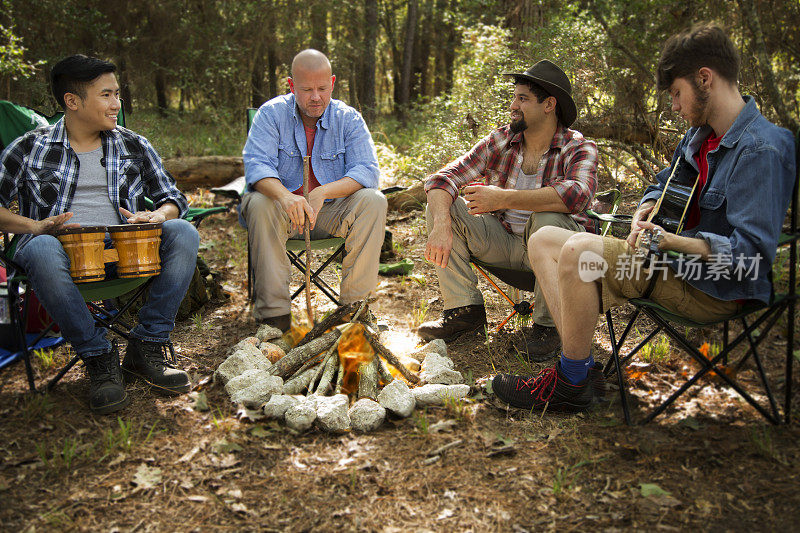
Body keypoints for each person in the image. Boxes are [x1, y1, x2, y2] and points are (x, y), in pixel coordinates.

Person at [492, 24, 797, 412]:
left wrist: (669, 242)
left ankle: (569, 383)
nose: (673, 106)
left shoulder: (761, 149)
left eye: (676, 93)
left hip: (711, 286)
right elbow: (661, 185)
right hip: (667, 262)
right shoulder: (699, 136)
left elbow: (748, 257)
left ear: (705, 78)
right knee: (544, 239)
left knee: (577, 251)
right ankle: (582, 371)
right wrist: (644, 212)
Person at [0, 55, 199, 415]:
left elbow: (174, 199)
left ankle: (147, 346)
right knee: (42, 247)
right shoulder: (29, 148)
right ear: (72, 101)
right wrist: (35, 226)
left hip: (126, 251)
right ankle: (98, 356)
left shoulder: (133, 144)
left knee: (182, 232)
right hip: (56, 255)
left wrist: (156, 214)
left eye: (117, 94)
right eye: (106, 95)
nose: (116, 104)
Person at [419, 60, 598, 361]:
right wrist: (440, 225)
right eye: (513, 97)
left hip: (557, 257)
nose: (512, 106)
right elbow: (442, 178)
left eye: (523, 99)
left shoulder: (578, 147)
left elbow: (576, 196)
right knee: (443, 205)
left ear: (549, 105)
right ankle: (465, 314)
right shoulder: (502, 140)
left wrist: (503, 199)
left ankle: (547, 327)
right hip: (506, 243)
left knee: (548, 219)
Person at [241, 49, 386, 331]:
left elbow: (367, 170)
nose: (316, 96)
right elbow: (257, 168)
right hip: (281, 215)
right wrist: (285, 196)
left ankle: (354, 314)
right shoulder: (270, 115)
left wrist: (321, 193)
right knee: (258, 202)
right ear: (292, 85)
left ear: (332, 83)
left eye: (322, 88)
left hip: (330, 214)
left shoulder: (349, 118)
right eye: (307, 89)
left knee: (374, 201)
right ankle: (275, 320)